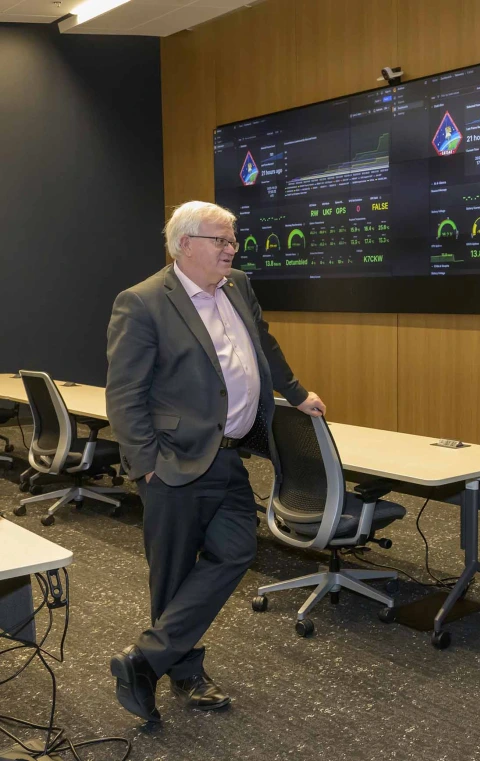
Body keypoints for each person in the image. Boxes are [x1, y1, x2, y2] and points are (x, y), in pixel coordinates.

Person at [105, 201, 326, 722]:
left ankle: (145, 659)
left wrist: (295, 393)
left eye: (232, 241)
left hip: (230, 453)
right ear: (185, 245)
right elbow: (125, 393)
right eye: (220, 241)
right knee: (175, 572)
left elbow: (263, 344)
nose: (232, 249)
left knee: (236, 549)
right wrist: (146, 464)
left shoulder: (238, 286)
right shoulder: (141, 303)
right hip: (173, 460)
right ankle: (181, 672)